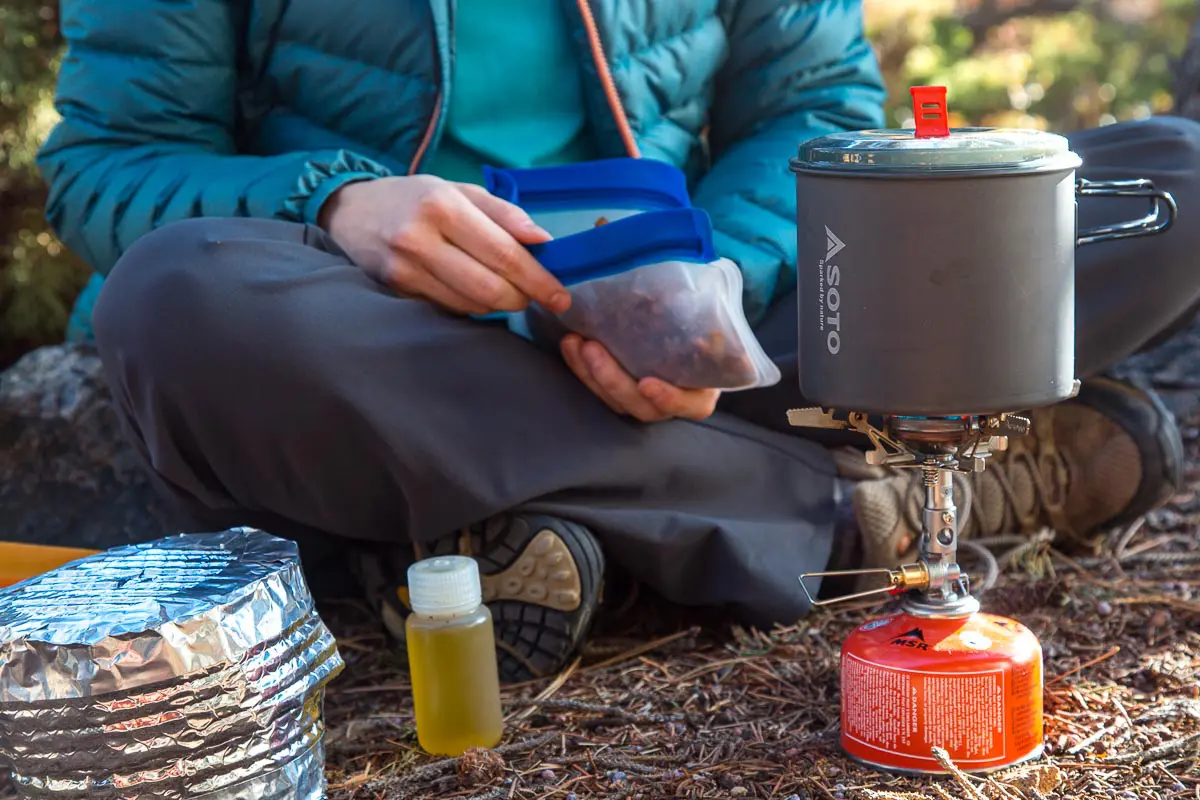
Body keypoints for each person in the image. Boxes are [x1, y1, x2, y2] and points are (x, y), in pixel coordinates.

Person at [38, 0, 1196, 683]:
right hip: (380, 331)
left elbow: (818, 109)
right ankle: (847, 508)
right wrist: (337, 202)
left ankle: (511, 510)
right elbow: (108, 169)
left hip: (713, 333)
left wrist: (715, 296)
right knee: (175, 298)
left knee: (1173, 183)